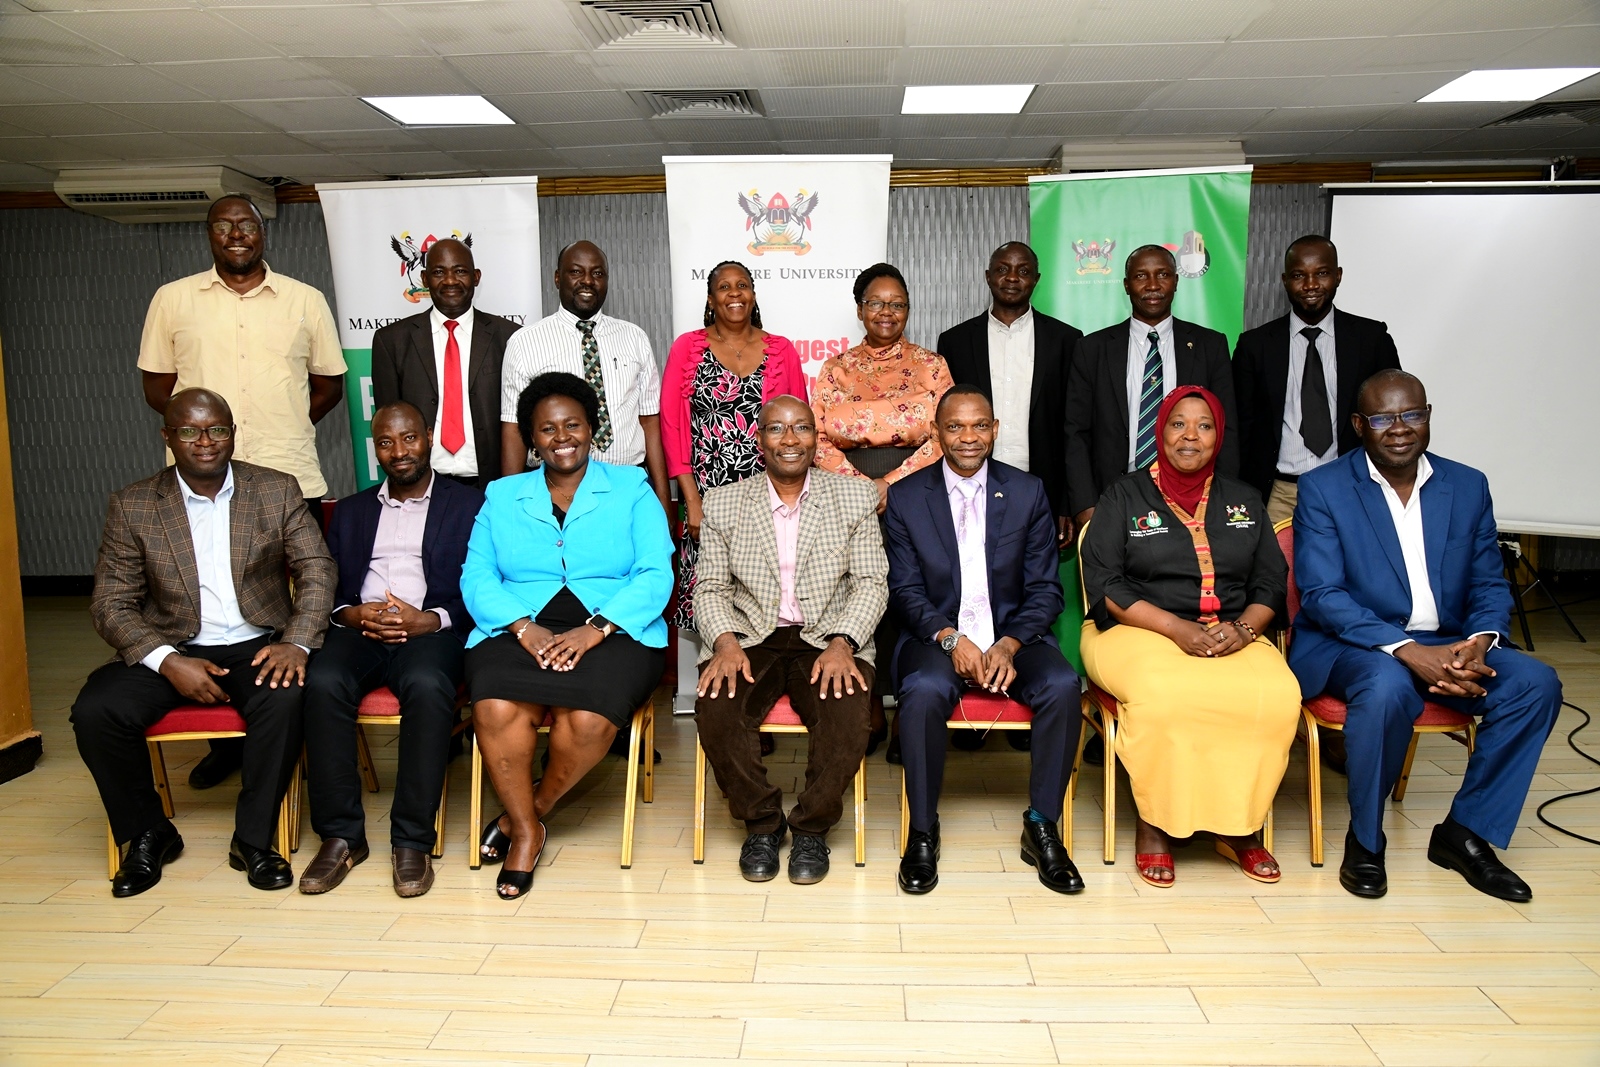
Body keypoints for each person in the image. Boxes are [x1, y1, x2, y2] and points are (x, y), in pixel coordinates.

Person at [1289, 370, 1561, 902]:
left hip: (1454, 642)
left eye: (1411, 414)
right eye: (1384, 418)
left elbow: (1486, 580)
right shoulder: (1325, 488)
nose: (1399, 429)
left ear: (1428, 416)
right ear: (1359, 425)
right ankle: (1366, 839)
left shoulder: (1467, 484)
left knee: (1536, 685)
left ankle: (1467, 833)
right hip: (1355, 645)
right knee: (1386, 686)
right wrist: (1411, 652)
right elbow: (1322, 594)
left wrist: (1477, 643)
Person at [72, 388, 334, 896]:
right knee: (96, 711)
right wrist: (167, 661)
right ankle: (148, 833)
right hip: (172, 645)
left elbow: (317, 570)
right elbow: (110, 603)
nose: (206, 441)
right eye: (190, 431)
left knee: (286, 698)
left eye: (217, 429)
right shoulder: (134, 504)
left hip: (259, 644)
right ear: (168, 436)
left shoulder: (276, 489)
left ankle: (253, 840)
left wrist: (297, 642)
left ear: (233, 433)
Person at [137, 194, 345, 791]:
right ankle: (223, 738)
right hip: (196, 480)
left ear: (262, 232)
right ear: (209, 234)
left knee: (296, 598)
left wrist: (286, 423)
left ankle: (287, 725)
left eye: (247, 224)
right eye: (223, 225)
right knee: (196, 603)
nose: (236, 234)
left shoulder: (305, 300)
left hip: (288, 473)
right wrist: (203, 438)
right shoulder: (172, 299)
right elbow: (158, 386)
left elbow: (328, 383)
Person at [463, 372, 673, 899]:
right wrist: (521, 627)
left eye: (573, 425)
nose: (562, 437)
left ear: (592, 429)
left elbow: (656, 571)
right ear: (531, 439)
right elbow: (477, 575)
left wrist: (595, 630)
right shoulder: (502, 495)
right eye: (547, 428)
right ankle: (527, 832)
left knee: (586, 718)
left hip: (616, 627)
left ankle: (531, 811)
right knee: (495, 708)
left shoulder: (631, 487)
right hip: (520, 624)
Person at [1079, 386, 1298, 888]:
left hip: (1231, 631)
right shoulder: (1124, 494)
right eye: (1178, 423)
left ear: (1219, 436)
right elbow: (1107, 582)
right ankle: (1156, 824)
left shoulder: (1243, 498)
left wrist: (1244, 630)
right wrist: (1176, 629)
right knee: (1167, 696)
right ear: (1160, 431)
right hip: (1136, 628)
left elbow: (1269, 580)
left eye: (1204, 425)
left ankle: (1239, 826)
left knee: (1276, 696)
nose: (1190, 436)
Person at [885, 385, 1084, 896]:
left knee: (1062, 685)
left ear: (995, 430)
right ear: (936, 433)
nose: (968, 437)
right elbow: (904, 591)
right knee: (925, 691)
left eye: (979, 426)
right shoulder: (908, 498)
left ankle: (1041, 824)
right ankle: (923, 829)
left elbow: (1045, 588)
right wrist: (952, 639)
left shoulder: (1027, 491)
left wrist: (1010, 643)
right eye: (954, 426)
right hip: (936, 635)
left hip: (1014, 634)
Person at [694, 396, 887, 885]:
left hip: (828, 633)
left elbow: (872, 582)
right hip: (750, 634)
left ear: (816, 439)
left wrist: (844, 642)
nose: (790, 439)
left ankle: (810, 829)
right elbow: (710, 587)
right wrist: (725, 642)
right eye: (777, 429)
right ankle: (761, 823)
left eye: (801, 428)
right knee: (717, 709)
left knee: (848, 716)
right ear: (760, 440)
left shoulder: (853, 497)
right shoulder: (723, 502)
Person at [298, 403, 483, 898]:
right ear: (374, 447)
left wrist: (433, 619)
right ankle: (340, 837)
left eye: (408, 439)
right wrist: (351, 614)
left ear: (428, 437)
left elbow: (485, 584)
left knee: (427, 685)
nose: (398, 451)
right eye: (385, 442)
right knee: (322, 681)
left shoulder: (470, 504)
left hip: (434, 630)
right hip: (362, 629)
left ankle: (412, 842)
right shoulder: (354, 511)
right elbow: (329, 586)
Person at [812, 262, 953, 754]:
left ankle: (906, 712)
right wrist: (861, 488)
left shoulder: (931, 367)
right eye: (876, 303)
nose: (886, 312)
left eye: (897, 304)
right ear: (860, 310)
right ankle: (867, 705)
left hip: (917, 492)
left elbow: (946, 435)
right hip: (846, 495)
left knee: (909, 591)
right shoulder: (836, 369)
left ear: (908, 311)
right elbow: (816, 438)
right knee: (855, 590)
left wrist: (892, 484)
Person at [660, 260, 807, 635]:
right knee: (713, 590)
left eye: (742, 285)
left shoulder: (782, 350)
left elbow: (800, 432)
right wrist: (692, 501)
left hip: (767, 493)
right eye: (724, 287)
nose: (734, 293)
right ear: (711, 299)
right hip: (708, 493)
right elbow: (673, 427)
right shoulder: (687, 348)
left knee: (765, 588)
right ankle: (713, 679)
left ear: (753, 295)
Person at [1063, 245, 1238, 531]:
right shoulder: (1092, 349)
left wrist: (1222, 499)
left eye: (1163, 275)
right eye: (1141, 276)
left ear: (1177, 281)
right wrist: (1085, 506)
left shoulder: (1210, 346)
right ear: (1126, 285)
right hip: (1113, 498)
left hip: (1192, 498)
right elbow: (1075, 433)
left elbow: (1226, 429)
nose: (1153, 285)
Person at [1233, 235, 1401, 525]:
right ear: (1285, 280)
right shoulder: (1255, 345)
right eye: (1299, 275)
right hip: (1278, 494)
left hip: (1350, 488)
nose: (1310, 285)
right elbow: (1239, 426)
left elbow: (1390, 417)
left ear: (1338, 276)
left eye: (1321, 273)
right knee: (1275, 571)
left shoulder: (1371, 340)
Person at [498, 241, 669, 514]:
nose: (587, 281)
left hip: (629, 485)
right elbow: (512, 429)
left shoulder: (634, 337)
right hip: (557, 491)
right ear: (557, 278)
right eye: (576, 272)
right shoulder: (524, 342)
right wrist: (508, 506)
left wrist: (662, 499)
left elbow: (649, 421)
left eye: (598, 273)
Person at [936, 242, 1083, 546]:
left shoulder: (1065, 340)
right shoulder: (956, 341)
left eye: (1023, 271)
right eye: (1003, 269)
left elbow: (1073, 426)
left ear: (1037, 279)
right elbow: (947, 423)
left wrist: (1068, 502)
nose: (1012, 278)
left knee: (1036, 583)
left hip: (1042, 488)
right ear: (988, 276)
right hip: (971, 485)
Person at [372, 238, 521, 489]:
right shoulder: (392, 341)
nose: (450, 281)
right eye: (439, 272)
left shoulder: (510, 337)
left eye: (460, 271)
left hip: (492, 485)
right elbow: (390, 422)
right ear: (424, 278)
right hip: (422, 485)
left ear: (476, 277)